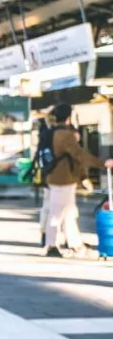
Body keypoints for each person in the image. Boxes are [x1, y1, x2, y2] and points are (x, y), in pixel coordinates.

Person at [43, 103, 113, 258]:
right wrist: (103, 163)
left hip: (56, 178)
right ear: (68, 117)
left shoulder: (53, 132)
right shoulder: (65, 134)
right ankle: (52, 245)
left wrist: (83, 177)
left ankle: (75, 244)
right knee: (57, 214)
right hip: (62, 180)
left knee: (69, 213)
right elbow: (79, 155)